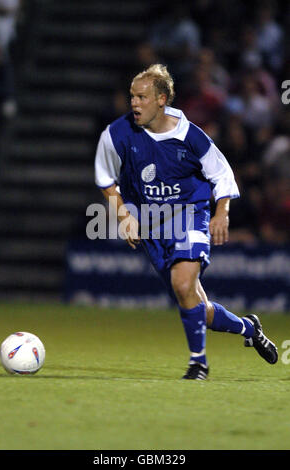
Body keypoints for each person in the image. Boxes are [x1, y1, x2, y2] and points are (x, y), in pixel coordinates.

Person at [94, 64, 278, 380]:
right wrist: (124, 215)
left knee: (182, 284)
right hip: (152, 227)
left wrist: (222, 213)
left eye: (142, 97)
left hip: (190, 216)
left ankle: (199, 363)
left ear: (162, 99)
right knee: (193, 303)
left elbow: (222, 174)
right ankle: (249, 327)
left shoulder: (190, 136)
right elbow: (105, 178)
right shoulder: (117, 134)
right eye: (132, 97)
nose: (134, 103)